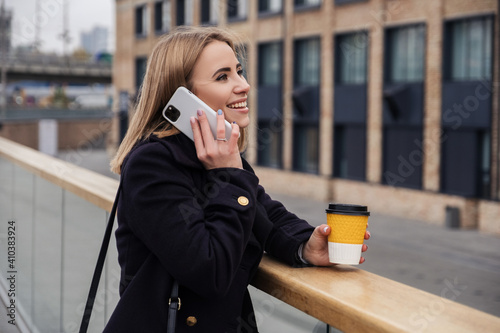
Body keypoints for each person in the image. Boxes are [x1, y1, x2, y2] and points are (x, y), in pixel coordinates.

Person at [107, 26, 370, 333]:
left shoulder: (219, 156)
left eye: (239, 72)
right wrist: (228, 174)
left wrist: (305, 244)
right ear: (183, 96)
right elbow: (209, 271)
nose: (243, 85)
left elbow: (264, 213)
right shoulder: (152, 164)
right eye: (223, 76)